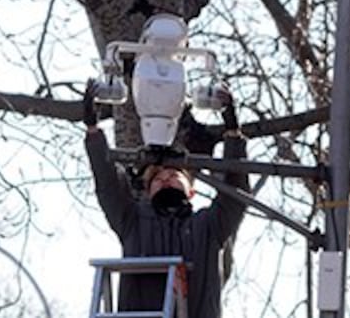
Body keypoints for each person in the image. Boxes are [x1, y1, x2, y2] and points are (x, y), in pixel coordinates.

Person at [83, 80, 250, 318]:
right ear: (148, 191)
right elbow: (108, 185)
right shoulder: (133, 222)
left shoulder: (208, 226)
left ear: (191, 190)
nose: (165, 179)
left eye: (173, 174)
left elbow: (235, 194)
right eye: (157, 178)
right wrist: (93, 132)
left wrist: (233, 134)